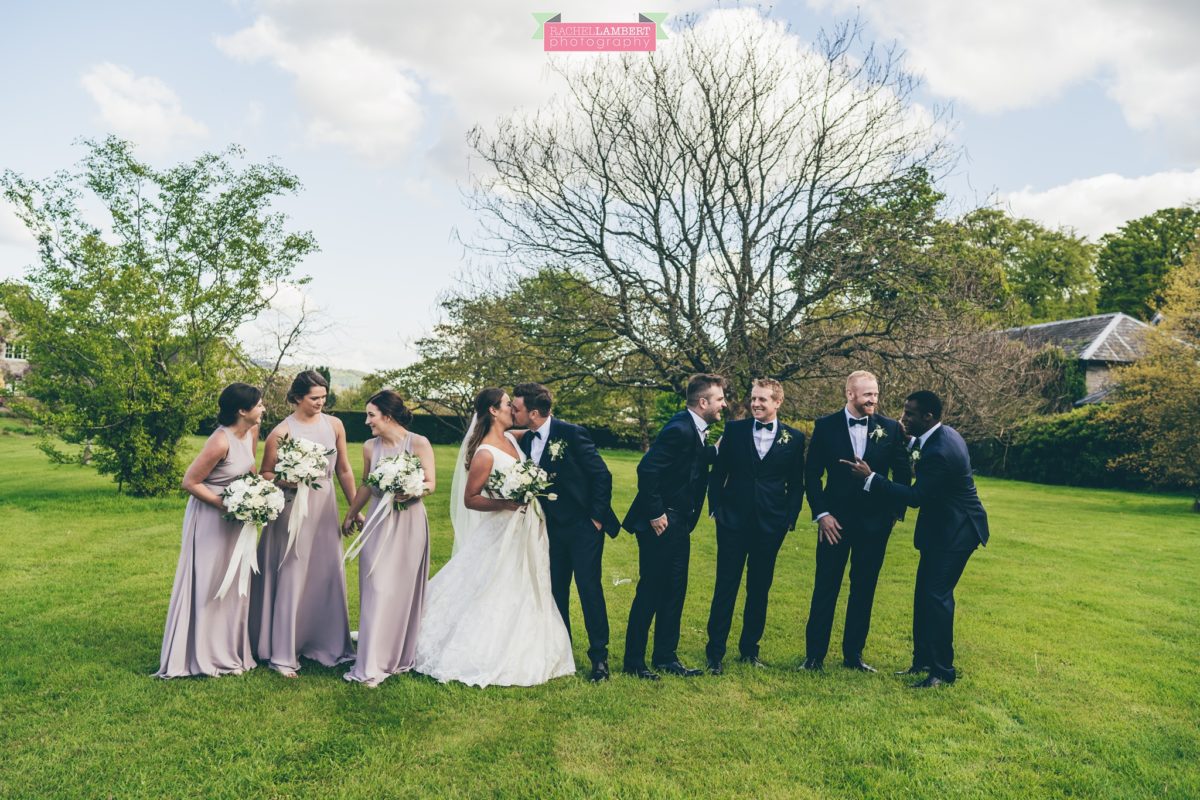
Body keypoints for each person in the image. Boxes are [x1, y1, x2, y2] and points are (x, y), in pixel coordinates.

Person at [412, 388, 574, 687]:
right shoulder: (485, 453)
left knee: (527, 582)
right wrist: (506, 503)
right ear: (493, 411)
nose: (514, 408)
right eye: (507, 404)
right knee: (492, 584)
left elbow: (545, 426)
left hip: (525, 528)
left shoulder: (514, 437)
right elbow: (470, 498)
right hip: (501, 529)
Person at [842, 390, 989, 687]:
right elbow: (917, 450)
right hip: (940, 531)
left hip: (957, 532)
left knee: (937, 598)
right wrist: (906, 442)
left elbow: (915, 496)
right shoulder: (936, 437)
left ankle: (942, 672)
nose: (903, 417)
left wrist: (871, 479)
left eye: (909, 413)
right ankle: (922, 661)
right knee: (924, 596)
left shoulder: (940, 451)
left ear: (928, 417)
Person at [801, 370, 910, 673]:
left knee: (864, 590)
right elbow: (811, 474)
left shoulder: (890, 428)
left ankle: (853, 656)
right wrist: (822, 515)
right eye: (867, 395)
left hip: (875, 526)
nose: (873, 399)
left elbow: (903, 475)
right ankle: (814, 656)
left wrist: (893, 514)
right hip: (834, 523)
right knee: (825, 587)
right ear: (850, 394)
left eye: (875, 394)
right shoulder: (825, 427)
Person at [249, 370, 356, 677]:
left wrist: (353, 509)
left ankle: (326, 642)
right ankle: (282, 650)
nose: (320, 403)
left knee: (325, 571)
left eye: (324, 397)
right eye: (314, 398)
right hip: (291, 510)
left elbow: (344, 470)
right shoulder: (281, 432)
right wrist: (288, 479)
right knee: (293, 572)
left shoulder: (335, 425)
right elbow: (266, 473)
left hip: (324, 509)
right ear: (297, 397)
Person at [511, 383, 621, 683]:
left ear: (534, 413)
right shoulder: (521, 442)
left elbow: (601, 475)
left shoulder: (571, 434)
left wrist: (596, 520)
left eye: (516, 408)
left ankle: (600, 658)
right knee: (554, 591)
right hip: (547, 529)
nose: (511, 412)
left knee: (589, 589)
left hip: (583, 527)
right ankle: (562, 651)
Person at [622, 373, 727, 680]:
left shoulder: (695, 430)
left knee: (674, 590)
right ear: (703, 401)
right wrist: (656, 513)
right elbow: (648, 469)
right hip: (661, 522)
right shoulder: (680, 428)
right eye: (720, 399)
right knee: (651, 590)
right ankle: (634, 662)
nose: (724, 404)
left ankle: (666, 656)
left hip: (680, 522)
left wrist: (714, 451)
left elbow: (689, 463)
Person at [155, 383, 264, 678]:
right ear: (242, 411)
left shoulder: (251, 433)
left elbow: (248, 471)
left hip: (238, 520)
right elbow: (189, 482)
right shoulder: (219, 441)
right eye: (259, 405)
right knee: (209, 581)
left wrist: (260, 496)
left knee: (233, 584)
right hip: (211, 518)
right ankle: (199, 652)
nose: (263, 409)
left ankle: (227, 649)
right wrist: (224, 505)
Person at [704, 378, 805, 674]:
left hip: (770, 525)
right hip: (732, 521)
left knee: (759, 588)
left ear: (777, 402)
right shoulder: (735, 430)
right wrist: (716, 508)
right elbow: (717, 472)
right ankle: (715, 652)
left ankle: (750, 650)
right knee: (726, 586)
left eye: (763, 399)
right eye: (753, 398)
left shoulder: (794, 438)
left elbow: (796, 484)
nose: (756, 404)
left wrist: (788, 518)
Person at [341, 390, 434, 687]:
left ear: (388, 416)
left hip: (410, 523)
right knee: (376, 586)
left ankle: (395, 655)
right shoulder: (370, 447)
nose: (367, 421)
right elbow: (368, 484)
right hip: (378, 524)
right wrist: (351, 512)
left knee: (401, 590)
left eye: (371, 415)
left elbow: (431, 482)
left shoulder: (419, 442)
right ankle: (369, 662)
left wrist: (414, 489)